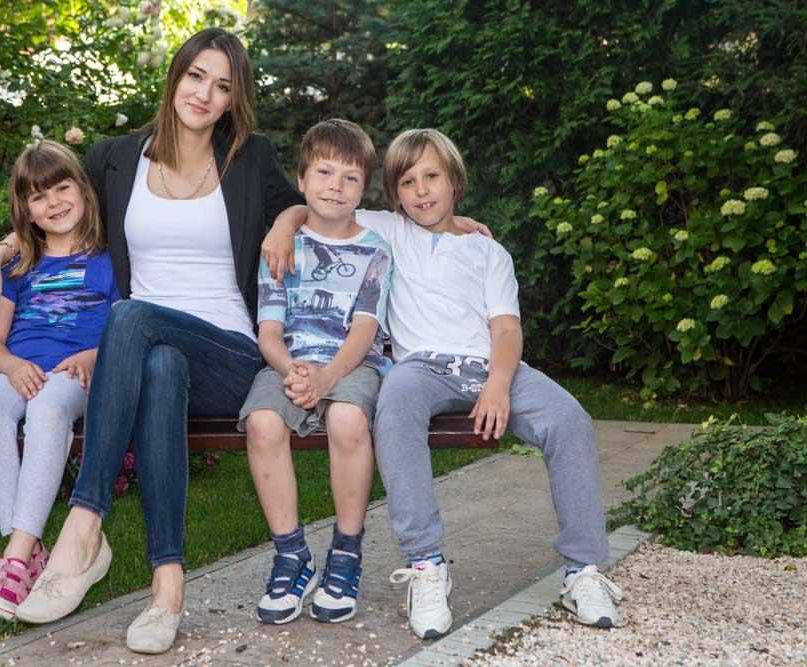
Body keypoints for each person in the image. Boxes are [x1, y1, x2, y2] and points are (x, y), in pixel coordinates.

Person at [0, 29, 303, 653]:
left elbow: (307, 205)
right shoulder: (116, 157)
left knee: (131, 318)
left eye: (222, 86)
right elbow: (55, 215)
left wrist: (284, 222)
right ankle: (167, 589)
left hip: (227, 350)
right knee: (160, 364)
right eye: (196, 76)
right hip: (148, 356)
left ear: (234, 100)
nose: (204, 94)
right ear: (175, 76)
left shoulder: (250, 156)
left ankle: (84, 527)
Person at [262, 128, 622, 640]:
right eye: (408, 182)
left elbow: (506, 330)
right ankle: (426, 564)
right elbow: (323, 206)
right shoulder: (391, 230)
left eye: (432, 177)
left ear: (455, 181)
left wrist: (498, 384)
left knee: (569, 419)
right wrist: (283, 224)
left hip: (493, 365)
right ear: (395, 194)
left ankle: (583, 569)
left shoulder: (488, 253)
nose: (422, 190)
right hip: (421, 368)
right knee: (394, 408)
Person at [240, 119, 392, 625]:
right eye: (324, 172)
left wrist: (327, 377)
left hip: (353, 362)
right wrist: (293, 369)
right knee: (262, 423)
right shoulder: (280, 246)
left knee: (348, 419)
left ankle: (346, 552)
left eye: (350, 177)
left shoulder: (375, 249)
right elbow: (268, 332)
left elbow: (365, 329)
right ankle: (292, 555)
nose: (335, 186)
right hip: (287, 360)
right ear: (301, 180)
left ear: (363, 189)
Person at [0, 140, 120, 621]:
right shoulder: (18, 266)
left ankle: (15, 559)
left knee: (48, 408)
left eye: (61, 188)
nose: (53, 203)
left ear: (83, 189)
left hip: (76, 373)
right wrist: (11, 366)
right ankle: (28, 548)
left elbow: (128, 328)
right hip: (22, 368)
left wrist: (95, 355)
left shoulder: (109, 259)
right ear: (25, 210)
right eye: (38, 196)